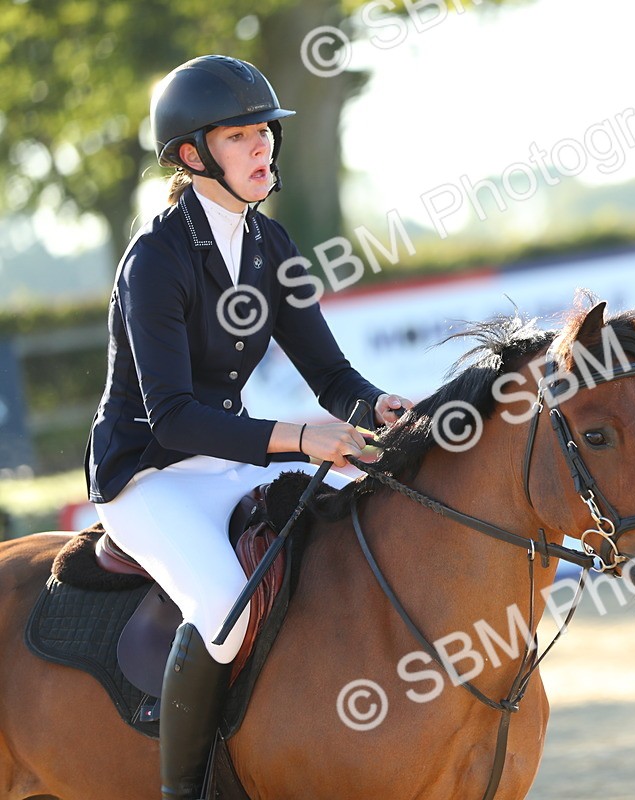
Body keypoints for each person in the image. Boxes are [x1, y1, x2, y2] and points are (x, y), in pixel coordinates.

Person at [83, 55, 409, 800]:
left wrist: (379, 407)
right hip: (150, 474)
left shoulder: (272, 248)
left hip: (228, 462)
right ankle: (187, 790)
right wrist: (297, 438)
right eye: (240, 136)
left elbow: (332, 378)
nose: (263, 146)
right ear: (194, 155)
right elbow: (172, 416)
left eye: (265, 131)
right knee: (227, 614)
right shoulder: (155, 261)